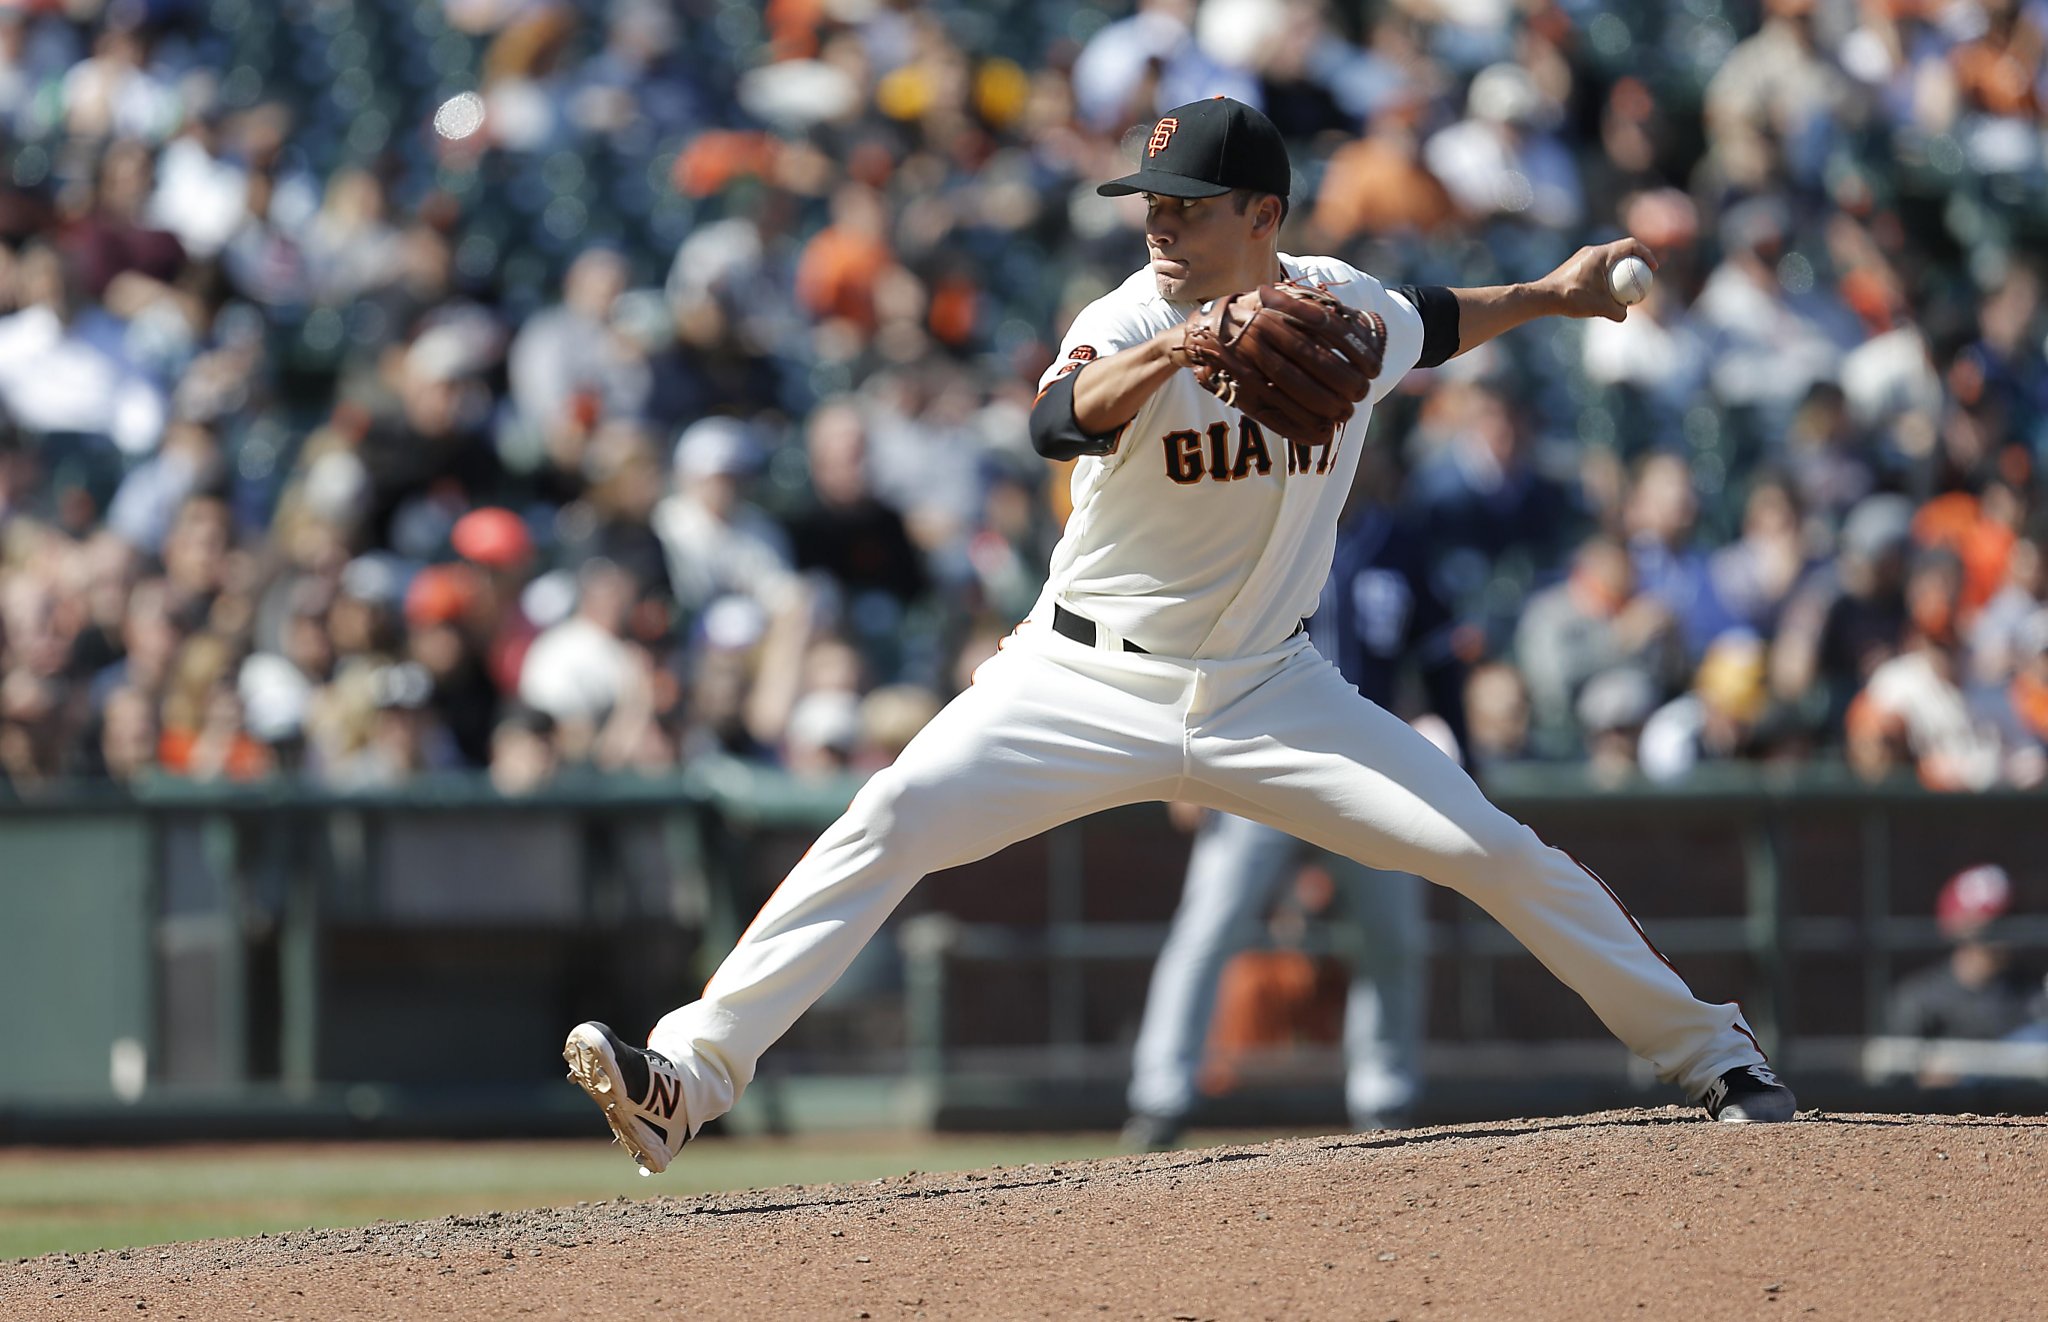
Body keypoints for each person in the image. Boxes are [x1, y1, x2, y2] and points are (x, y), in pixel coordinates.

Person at [564, 97, 1796, 1175]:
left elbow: (1433, 311)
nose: (1157, 222)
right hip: (1077, 677)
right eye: (1148, 198)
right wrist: (1176, 346)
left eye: (1187, 203)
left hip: (1273, 687)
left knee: (1490, 848)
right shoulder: (1123, 313)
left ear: (1262, 213)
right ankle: (688, 1076)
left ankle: (1715, 1053)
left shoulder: (1339, 307)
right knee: (887, 820)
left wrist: (1554, 295)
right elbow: (1057, 420)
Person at [1123, 444, 1459, 1149]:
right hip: (1256, 757)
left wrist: (1465, 763)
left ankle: (1386, 1096)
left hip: (1370, 770)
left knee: (1392, 935)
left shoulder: (1399, 541)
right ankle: (1161, 1095)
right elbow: (1190, 646)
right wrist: (1182, 757)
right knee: (1209, 925)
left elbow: (1440, 663)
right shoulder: (1258, 520)